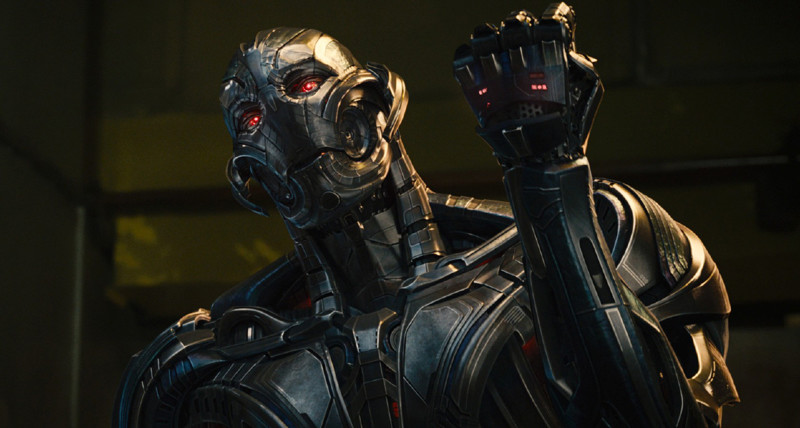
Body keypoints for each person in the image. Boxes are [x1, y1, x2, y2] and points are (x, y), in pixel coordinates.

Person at [114, 3, 738, 427]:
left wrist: (551, 182)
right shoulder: (214, 364)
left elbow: (656, 413)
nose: (285, 123)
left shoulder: (603, 231)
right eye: (251, 118)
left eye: (303, 85)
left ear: (375, 104)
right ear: (250, 175)